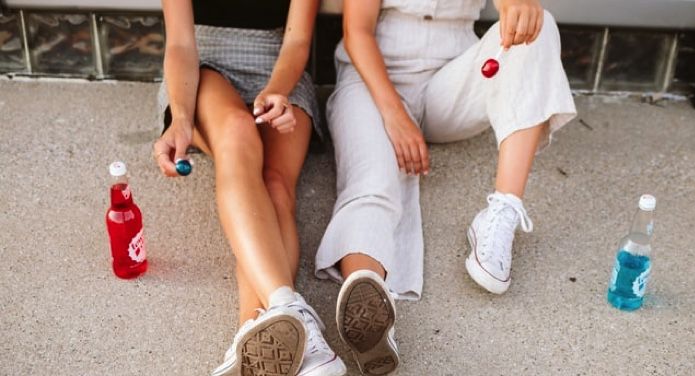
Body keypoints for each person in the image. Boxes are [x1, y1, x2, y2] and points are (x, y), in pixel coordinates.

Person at [316, 0, 577, 374]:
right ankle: (371, 299)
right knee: (372, 179)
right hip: (372, 78)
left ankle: (501, 209)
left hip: (452, 79)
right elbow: (357, 32)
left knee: (540, 24)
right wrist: (396, 116)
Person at [152, 1, 346, 375]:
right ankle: (292, 314)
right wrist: (181, 119)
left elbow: (297, 40)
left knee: (275, 185)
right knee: (238, 134)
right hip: (205, 66)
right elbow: (179, 44)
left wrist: (277, 91)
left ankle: (252, 332)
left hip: (280, 70)